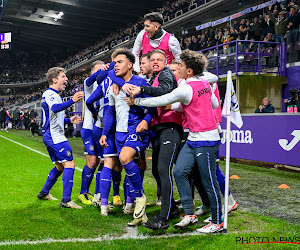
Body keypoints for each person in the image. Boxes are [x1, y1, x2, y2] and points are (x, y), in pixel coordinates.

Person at [126, 49, 223, 233]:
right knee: (179, 171)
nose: (177, 70)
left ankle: (217, 221)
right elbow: (214, 104)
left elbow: (163, 98)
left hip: (206, 139)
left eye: (181, 67)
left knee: (208, 180)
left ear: (189, 71)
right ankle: (189, 214)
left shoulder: (186, 87)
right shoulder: (203, 84)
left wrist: (137, 102)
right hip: (193, 138)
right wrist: (183, 104)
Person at [100, 48, 156, 225]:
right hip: (118, 133)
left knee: (126, 158)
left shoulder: (140, 82)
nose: (116, 65)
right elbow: (109, 113)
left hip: (136, 130)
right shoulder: (113, 85)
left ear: (130, 65)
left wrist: (146, 120)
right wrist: (104, 133)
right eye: (115, 63)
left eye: (120, 62)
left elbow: (153, 107)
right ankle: (134, 206)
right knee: (129, 165)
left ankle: (137, 198)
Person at [130, 49, 183, 230]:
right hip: (161, 129)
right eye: (152, 59)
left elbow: (165, 90)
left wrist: (142, 89)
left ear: (166, 60)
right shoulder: (157, 76)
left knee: (163, 169)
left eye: (159, 59)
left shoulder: (166, 73)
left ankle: (164, 218)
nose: (155, 62)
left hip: (170, 127)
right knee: (157, 170)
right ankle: (173, 209)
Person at [37, 67, 84, 209]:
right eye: (63, 76)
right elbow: (56, 108)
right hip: (54, 136)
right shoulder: (50, 93)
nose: (66, 79)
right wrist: (72, 100)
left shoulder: (55, 95)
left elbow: (55, 117)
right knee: (69, 163)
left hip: (52, 135)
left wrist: (70, 121)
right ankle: (66, 200)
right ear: (54, 79)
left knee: (59, 166)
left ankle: (44, 193)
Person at [78, 60, 104, 206]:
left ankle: (98, 194)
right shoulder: (88, 83)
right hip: (88, 128)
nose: (102, 73)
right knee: (92, 161)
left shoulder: (104, 84)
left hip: (100, 127)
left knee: (102, 160)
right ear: (92, 72)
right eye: (98, 70)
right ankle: (83, 193)